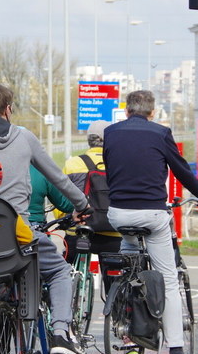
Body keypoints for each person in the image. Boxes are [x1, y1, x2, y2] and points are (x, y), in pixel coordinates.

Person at [0, 84, 91, 354]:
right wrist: (82, 204)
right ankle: (61, 335)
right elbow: (57, 178)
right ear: (9, 109)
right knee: (60, 272)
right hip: (20, 240)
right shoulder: (24, 138)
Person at [102, 90, 198, 354]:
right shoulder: (160, 133)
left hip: (118, 214)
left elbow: (112, 170)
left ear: (127, 111)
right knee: (168, 279)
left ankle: (127, 325)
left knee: (128, 256)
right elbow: (182, 171)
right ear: (152, 113)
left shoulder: (111, 133)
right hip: (152, 214)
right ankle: (175, 346)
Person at [61, 120, 122, 292]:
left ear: (89, 140)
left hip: (79, 232)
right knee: (115, 281)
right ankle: (116, 311)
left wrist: (65, 221)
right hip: (112, 233)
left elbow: (62, 199)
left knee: (62, 275)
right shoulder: (118, 164)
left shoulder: (73, 164)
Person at [28, 164, 75, 229]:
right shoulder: (39, 170)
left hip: (9, 226)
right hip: (34, 226)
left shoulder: (9, 168)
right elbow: (65, 205)